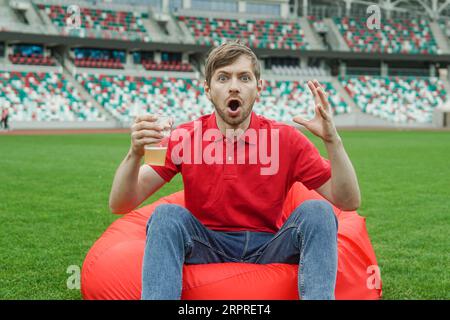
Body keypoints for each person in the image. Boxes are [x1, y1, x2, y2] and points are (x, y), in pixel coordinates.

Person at [109, 41, 361, 300]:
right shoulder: (183, 137)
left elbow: (348, 201)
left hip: (269, 245)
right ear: (208, 89)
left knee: (318, 211)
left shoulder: (287, 139)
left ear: (258, 88)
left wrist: (333, 141)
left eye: (244, 77)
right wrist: (134, 153)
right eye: (222, 77)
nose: (233, 86)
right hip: (205, 243)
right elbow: (120, 203)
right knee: (165, 216)